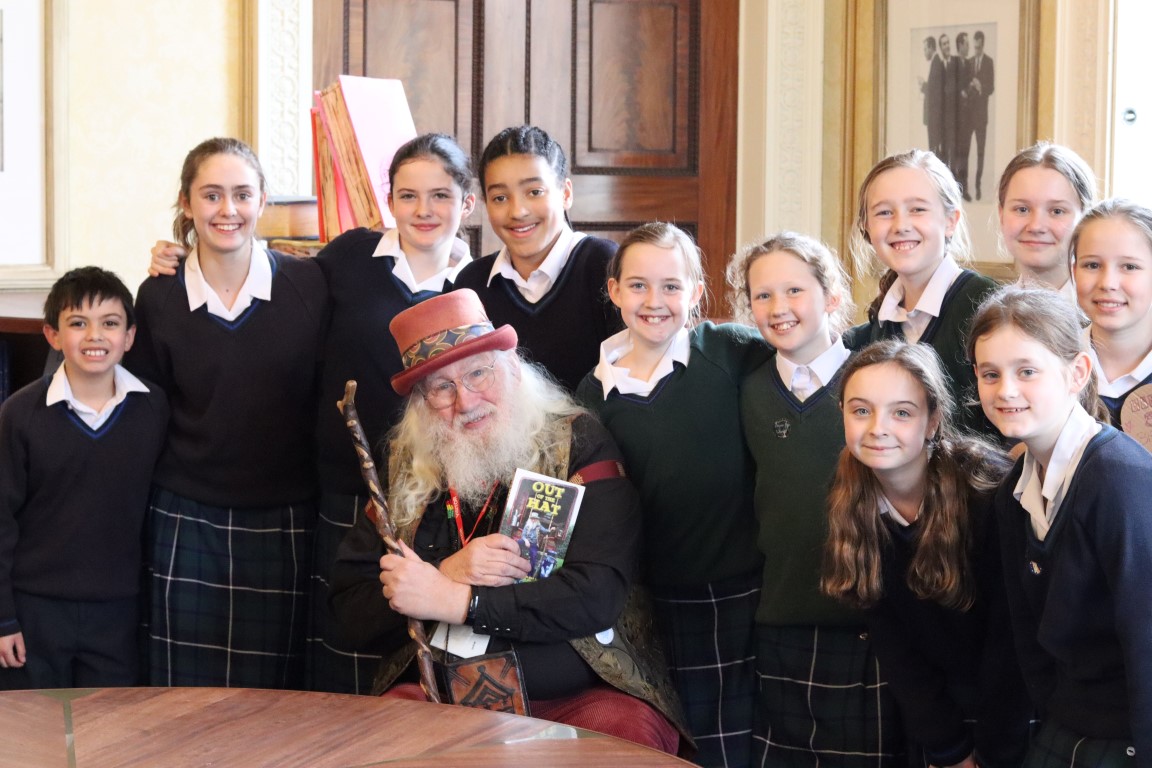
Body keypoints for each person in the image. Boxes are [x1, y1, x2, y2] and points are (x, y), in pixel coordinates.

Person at [148, 133, 477, 694]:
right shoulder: (347, 259)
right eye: (409, 195)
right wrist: (176, 256)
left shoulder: (478, 282)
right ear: (389, 200)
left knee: (422, 666)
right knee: (333, 665)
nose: (424, 209)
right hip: (343, 495)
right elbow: (260, 270)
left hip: (440, 501)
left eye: (441, 196)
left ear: (467, 203)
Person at [328, 289, 689, 754]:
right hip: (440, 695)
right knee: (388, 739)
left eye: (478, 373)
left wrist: (461, 601)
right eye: (442, 387)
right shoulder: (404, 467)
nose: (466, 401)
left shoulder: (580, 442)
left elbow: (596, 594)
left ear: (513, 368)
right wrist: (444, 572)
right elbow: (349, 611)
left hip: (580, 695)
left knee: (622, 743)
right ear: (420, 402)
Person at [128, 137, 328, 689]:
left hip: (284, 514)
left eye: (242, 194)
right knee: (181, 691)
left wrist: (452, 253)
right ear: (186, 204)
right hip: (185, 511)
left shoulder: (309, 284)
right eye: (211, 195)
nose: (228, 210)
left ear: (263, 200)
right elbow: (149, 407)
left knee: (272, 696)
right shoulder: (158, 296)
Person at [576, 222, 767, 768]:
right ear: (613, 292)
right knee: (666, 737)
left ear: (696, 294)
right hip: (643, 598)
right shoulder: (591, 393)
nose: (654, 301)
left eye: (671, 286)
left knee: (732, 738)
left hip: (734, 590)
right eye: (637, 286)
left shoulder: (731, 351)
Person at [728, 233, 901, 766]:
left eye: (795, 291)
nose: (779, 309)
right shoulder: (749, 388)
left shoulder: (875, 383)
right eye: (762, 296)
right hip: (781, 621)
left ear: (830, 298)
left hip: (871, 626)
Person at [822, 340, 1030, 768]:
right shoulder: (851, 497)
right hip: (940, 708)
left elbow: (1010, 642)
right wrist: (949, 748)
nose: (878, 427)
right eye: (861, 410)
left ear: (932, 421)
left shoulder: (988, 492)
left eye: (901, 412)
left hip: (1016, 708)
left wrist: (990, 753)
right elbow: (895, 644)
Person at [969, 285, 1152, 767]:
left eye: (1027, 371)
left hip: (1130, 734)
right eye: (990, 374)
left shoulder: (1119, 478)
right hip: (1065, 721)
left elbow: (1146, 636)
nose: (1006, 390)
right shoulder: (1014, 490)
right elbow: (1023, 631)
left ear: (1077, 372)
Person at [0, 267, 168, 689]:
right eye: (78, 323)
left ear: (129, 337)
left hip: (117, 610)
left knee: (109, 734)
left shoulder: (153, 409)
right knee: (34, 737)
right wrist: (3, 620)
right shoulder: (19, 415)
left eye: (110, 323)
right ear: (53, 336)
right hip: (35, 610)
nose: (95, 336)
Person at [452, 125, 624, 393]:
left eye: (534, 192)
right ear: (486, 204)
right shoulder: (471, 284)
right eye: (500, 198)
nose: (518, 211)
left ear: (565, 193)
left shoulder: (605, 265)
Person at [844, 149, 999, 435]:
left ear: (950, 220)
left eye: (917, 209)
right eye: (884, 212)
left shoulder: (989, 305)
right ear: (867, 227)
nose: (901, 225)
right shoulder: (879, 323)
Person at [1072, 199, 1152, 427]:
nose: (1108, 283)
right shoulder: (1053, 361)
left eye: (1129, 267)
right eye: (1092, 265)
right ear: (1073, 271)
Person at [998, 141, 1096, 301]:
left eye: (1057, 211)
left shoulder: (1106, 316)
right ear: (1001, 214)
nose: (1036, 226)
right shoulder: (990, 317)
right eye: (1022, 209)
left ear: (1086, 218)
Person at [967, 30, 995, 200]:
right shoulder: (968, 63)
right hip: (967, 117)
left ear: (982, 44)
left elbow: (991, 88)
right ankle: (965, 186)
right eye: (974, 46)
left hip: (981, 116)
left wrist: (980, 87)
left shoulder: (988, 62)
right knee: (965, 152)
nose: (976, 49)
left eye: (978, 46)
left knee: (980, 152)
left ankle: (978, 185)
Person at [953, 32, 974, 199]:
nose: (968, 47)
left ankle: (964, 189)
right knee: (953, 156)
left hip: (967, 120)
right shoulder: (953, 64)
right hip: (954, 122)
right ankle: (952, 192)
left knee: (964, 155)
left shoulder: (969, 64)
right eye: (966, 44)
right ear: (960, 45)